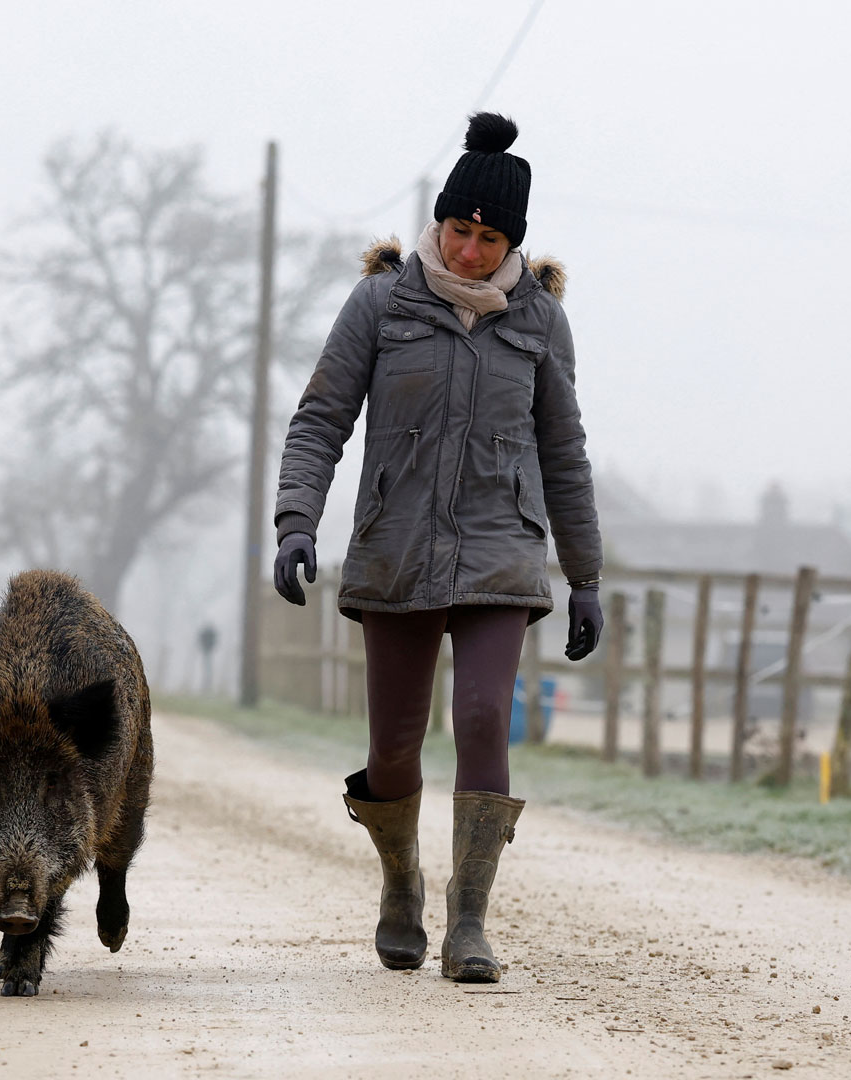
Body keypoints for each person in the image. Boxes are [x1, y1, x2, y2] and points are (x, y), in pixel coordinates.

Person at [271, 112, 603, 983]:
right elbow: (321, 419)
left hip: (501, 550)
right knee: (394, 746)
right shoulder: (382, 303)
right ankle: (399, 883)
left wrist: (586, 576)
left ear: (512, 243)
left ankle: (470, 922)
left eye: (490, 240)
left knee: (485, 715)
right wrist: (297, 520)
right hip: (397, 549)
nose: (469, 252)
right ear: (440, 221)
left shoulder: (540, 322)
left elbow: (564, 453)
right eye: (459, 230)